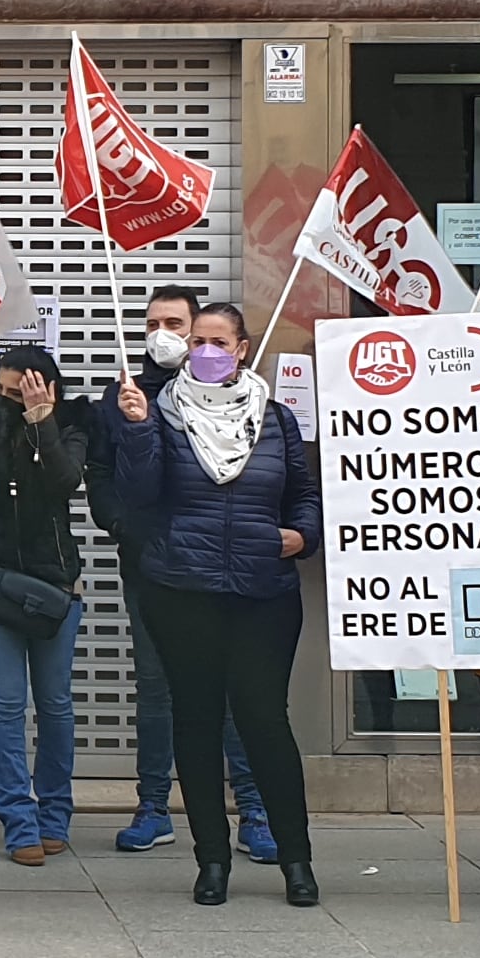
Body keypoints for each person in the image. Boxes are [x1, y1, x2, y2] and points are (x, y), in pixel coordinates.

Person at [102, 298, 321, 909]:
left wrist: (301, 535)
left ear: (243, 349)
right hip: (183, 591)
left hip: (263, 592)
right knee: (195, 722)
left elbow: (304, 493)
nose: (204, 350)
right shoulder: (162, 413)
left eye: (218, 341)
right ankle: (212, 859)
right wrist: (140, 429)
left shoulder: (274, 420)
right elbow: (138, 493)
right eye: (197, 339)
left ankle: (296, 859)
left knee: (263, 721)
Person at [97, 286, 269, 863]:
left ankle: (252, 809)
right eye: (152, 323)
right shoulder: (125, 393)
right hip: (151, 568)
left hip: (220, 571)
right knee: (156, 689)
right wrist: (124, 526)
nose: (162, 334)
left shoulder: (245, 400)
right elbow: (103, 472)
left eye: (175, 322)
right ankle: (152, 807)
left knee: (230, 692)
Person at [0, 341, 89, 865]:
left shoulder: (69, 427)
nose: (5, 400)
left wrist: (40, 420)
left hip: (56, 586)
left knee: (56, 706)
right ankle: (18, 822)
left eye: (16, 391)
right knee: (4, 706)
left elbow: (64, 482)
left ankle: (54, 817)